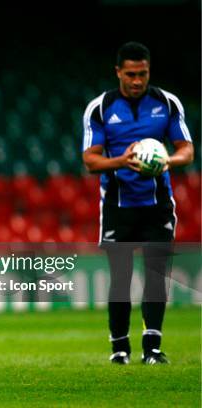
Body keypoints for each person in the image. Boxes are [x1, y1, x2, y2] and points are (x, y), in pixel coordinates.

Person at [82, 42, 193, 365]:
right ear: (118, 72)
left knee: (157, 274)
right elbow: (90, 160)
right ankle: (119, 349)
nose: (136, 81)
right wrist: (123, 160)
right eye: (130, 74)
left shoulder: (166, 103)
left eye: (142, 74)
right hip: (118, 204)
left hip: (157, 203)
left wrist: (167, 160)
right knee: (121, 276)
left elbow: (186, 149)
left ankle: (153, 349)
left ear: (149, 71)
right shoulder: (101, 108)